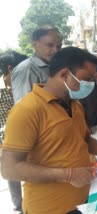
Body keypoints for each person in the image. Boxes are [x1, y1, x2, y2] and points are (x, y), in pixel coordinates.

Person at [1, 47, 97, 214]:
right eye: (86, 79)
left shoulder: (75, 105)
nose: (91, 84)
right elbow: (9, 168)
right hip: (49, 208)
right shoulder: (27, 110)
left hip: (84, 201)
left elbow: (83, 139)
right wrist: (67, 175)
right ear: (64, 75)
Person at [0, 51, 28, 213]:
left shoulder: (22, 84)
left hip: (27, 134)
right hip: (6, 139)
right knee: (13, 174)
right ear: (11, 68)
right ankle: (19, 206)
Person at [11, 25, 62, 103]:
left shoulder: (56, 66)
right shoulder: (26, 69)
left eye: (59, 46)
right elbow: (23, 107)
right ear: (35, 45)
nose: (56, 51)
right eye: (49, 45)